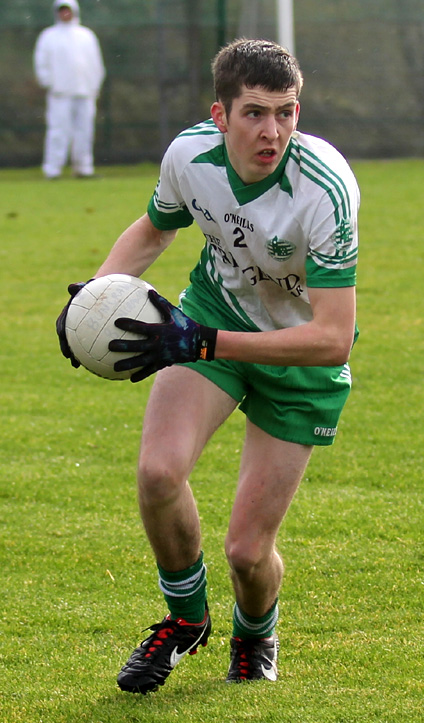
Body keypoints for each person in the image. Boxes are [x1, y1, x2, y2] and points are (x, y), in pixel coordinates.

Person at [57, 38, 359, 692]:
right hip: (212, 315)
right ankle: (185, 620)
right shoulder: (189, 156)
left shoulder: (326, 189)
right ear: (219, 116)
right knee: (158, 473)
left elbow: (333, 338)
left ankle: (255, 632)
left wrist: (202, 343)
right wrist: (93, 296)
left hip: (297, 360)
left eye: (285, 112)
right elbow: (155, 228)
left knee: (248, 554)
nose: (272, 130)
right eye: (254, 112)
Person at [33, 0, 105, 179]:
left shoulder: (86, 35)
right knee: (58, 132)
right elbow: (41, 63)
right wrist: (50, 83)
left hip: (85, 92)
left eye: (68, 10)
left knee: (85, 132)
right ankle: (53, 170)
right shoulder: (49, 36)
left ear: (74, 11)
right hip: (60, 93)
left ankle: (83, 168)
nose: (65, 13)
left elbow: (96, 63)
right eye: (62, 10)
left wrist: (94, 86)